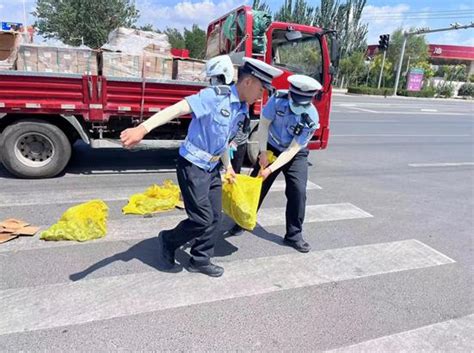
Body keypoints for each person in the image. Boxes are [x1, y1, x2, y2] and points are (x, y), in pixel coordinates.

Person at [120, 57, 283, 277]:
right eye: (261, 89)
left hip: (213, 168)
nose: (261, 95)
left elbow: (223, 140)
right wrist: (142, 128)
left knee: (215, 217)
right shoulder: (215, 97)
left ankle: (200, 259)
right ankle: (168, 240)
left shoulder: (242, 109)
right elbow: (177, 109)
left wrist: (228, 167)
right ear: (248, 82)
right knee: (201, 218)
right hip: (193, 166)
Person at [224, 74, 322, 253]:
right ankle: (242, 220)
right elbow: (263, 124)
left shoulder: (311, 118)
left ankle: (294, 235)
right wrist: (262, 152)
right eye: (296, 101)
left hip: (295, 153)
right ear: (291, 94)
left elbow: (292, 150)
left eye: (303, 104)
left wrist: (270, 169)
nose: (299, 106)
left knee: (298, 191)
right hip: (271, 145)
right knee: (256, 184)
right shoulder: (278, 100)